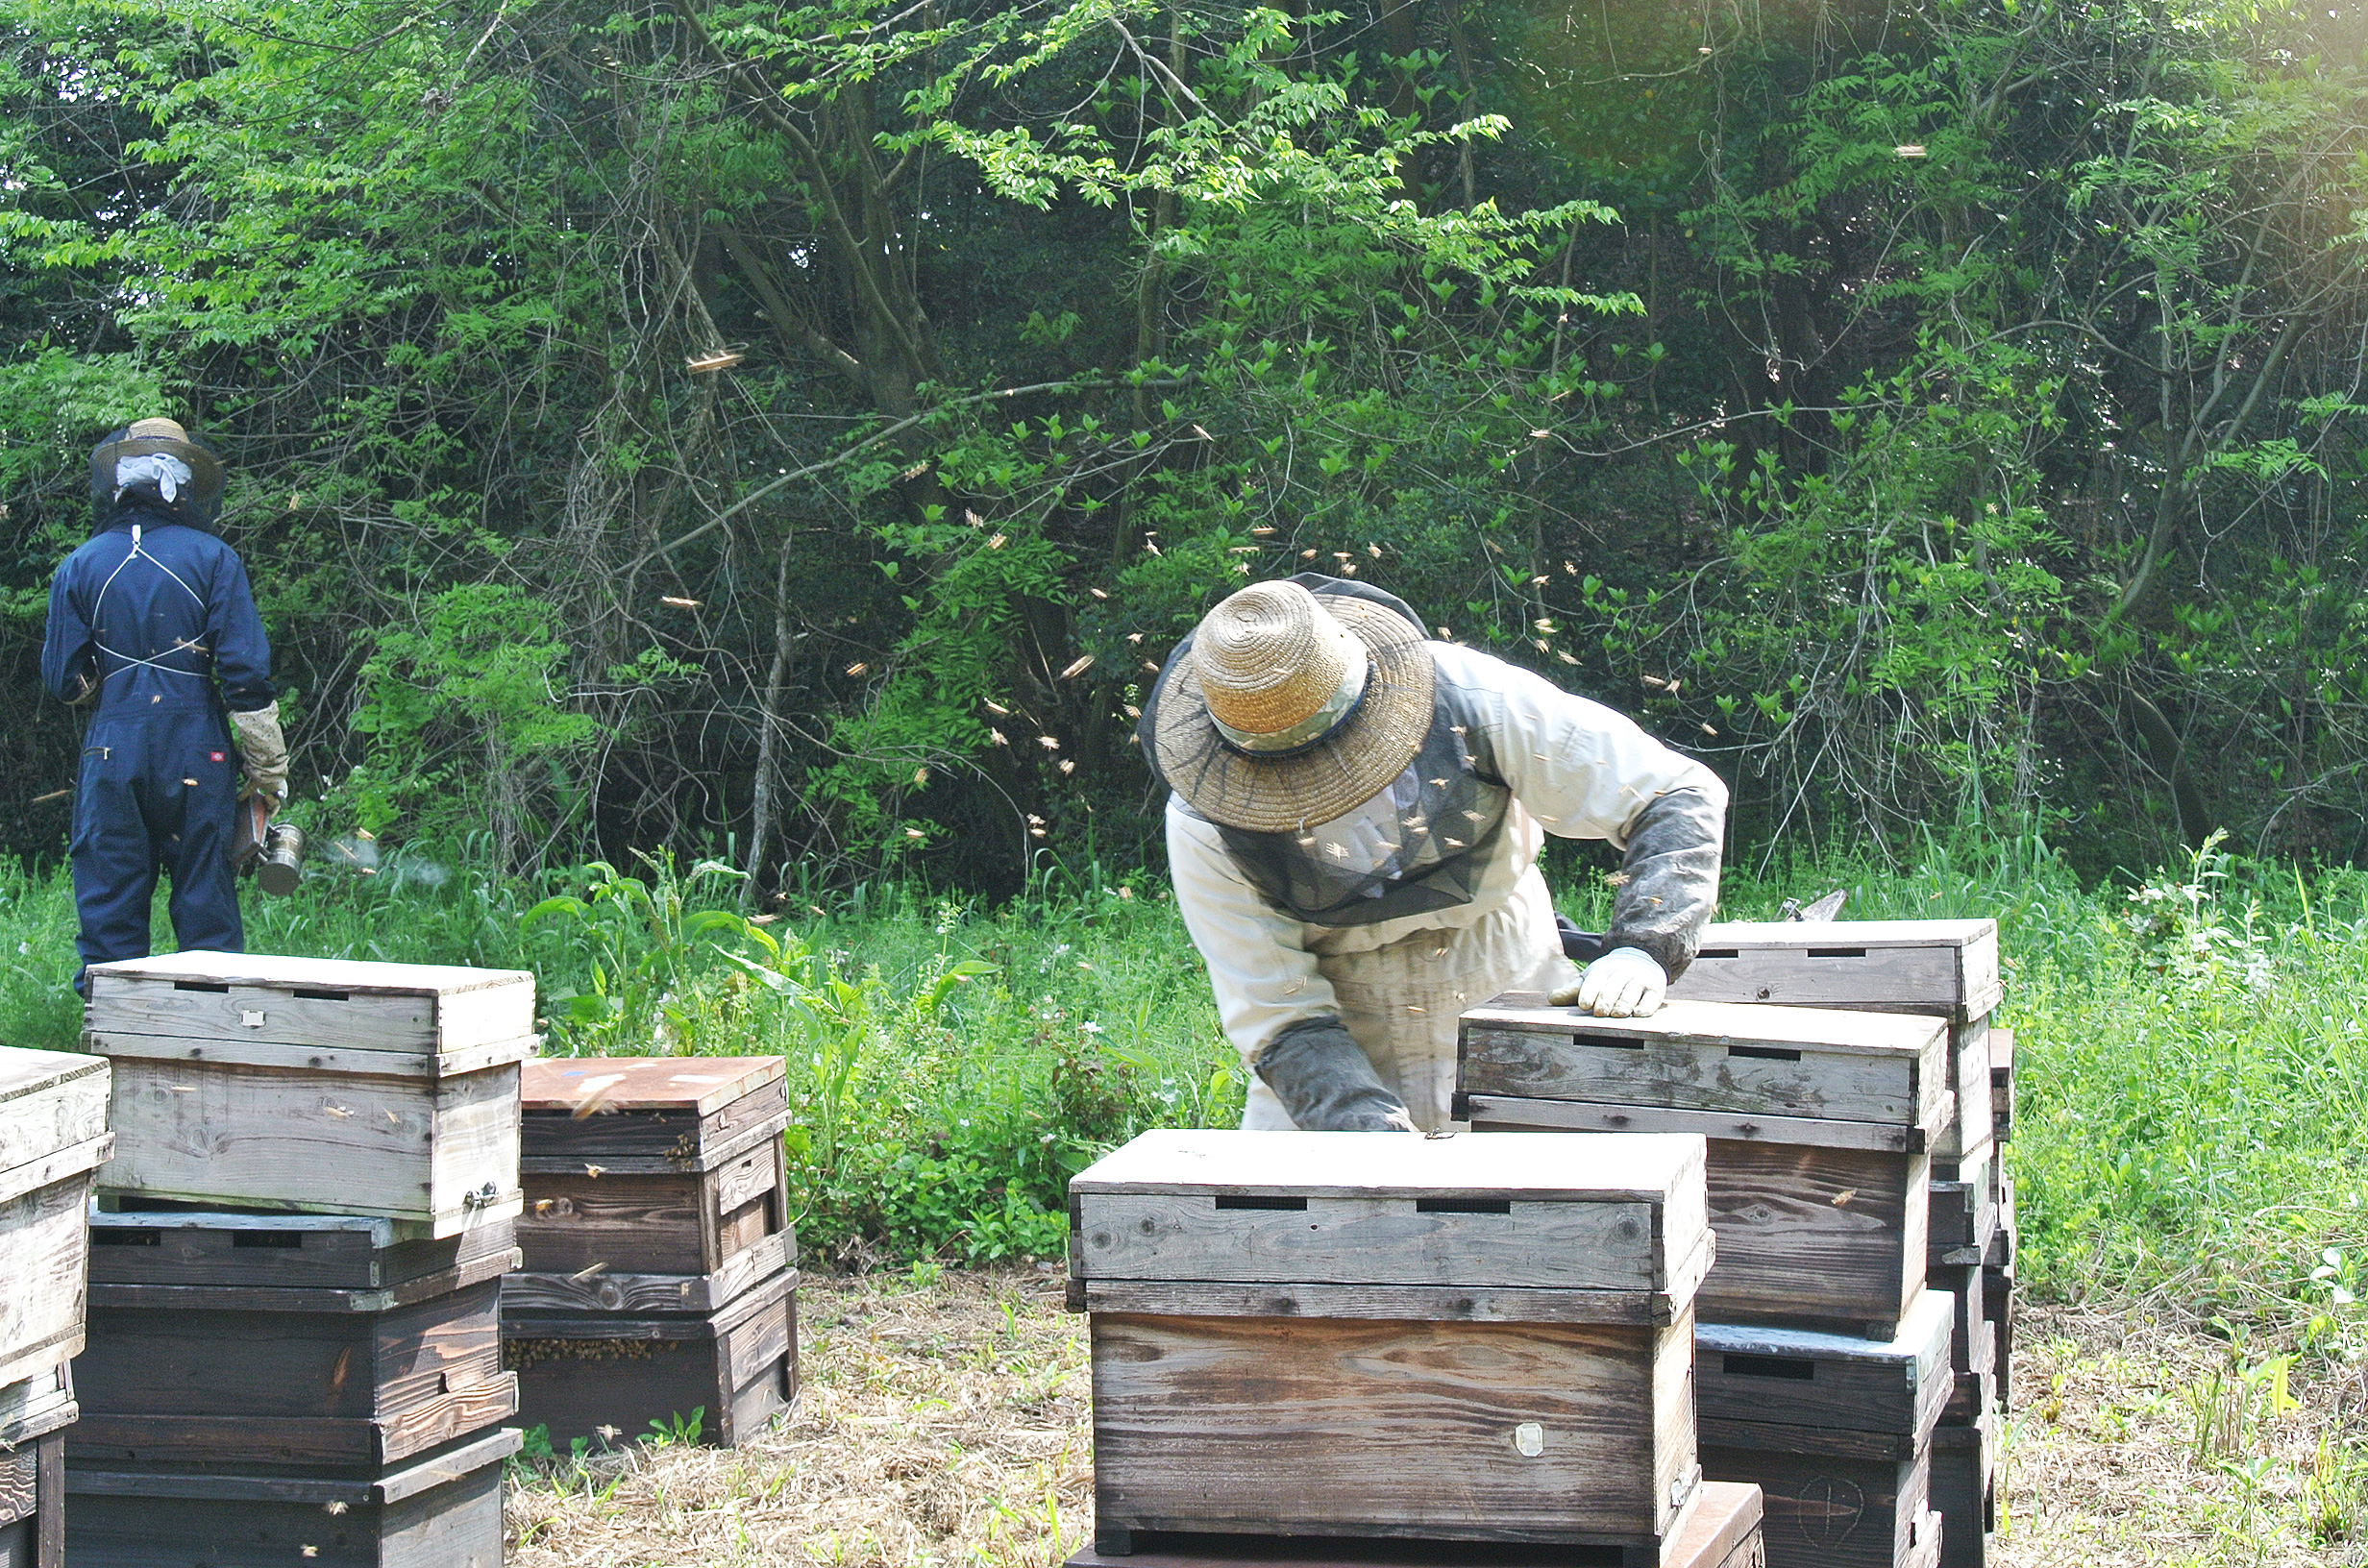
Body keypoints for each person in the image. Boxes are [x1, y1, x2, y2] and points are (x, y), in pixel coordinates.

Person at [1141, 574, 1726, 1133]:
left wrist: (1644, 946)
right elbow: (1279, 1013)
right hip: (1337, 1025)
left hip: (1505, 974)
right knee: (1301, 1224)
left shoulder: (1476, 699)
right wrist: (1364, 1130)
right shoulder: (1204, 819)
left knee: (1558, 1210)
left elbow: (1672, 793)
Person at [40, 418, 288, 990]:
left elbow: (65, 681)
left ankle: (112, 1048)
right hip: (198, 750)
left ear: (120, 481)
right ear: (182, 480)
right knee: (206, 911)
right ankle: (211, 1046)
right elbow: (245, 677)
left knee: (110, 910)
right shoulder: (214, 558)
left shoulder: (79, 565)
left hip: (113, 751)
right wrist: (269, 769)